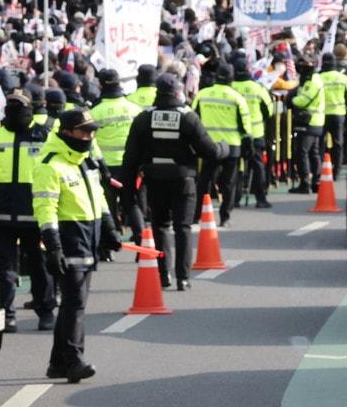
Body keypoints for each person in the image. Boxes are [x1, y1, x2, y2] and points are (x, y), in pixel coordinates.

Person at [33, 108, 120, 382]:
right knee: (76, 303)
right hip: (69, 238)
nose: (89, 136)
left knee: (73, 302)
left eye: (92, 131)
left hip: (88, 236)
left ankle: (58, 363)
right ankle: (73, 360)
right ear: (67, 132)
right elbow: (45, 209)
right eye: (84, 131)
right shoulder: (50, 164)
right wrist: (53, 246)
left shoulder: (84, 160)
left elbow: (99, 198)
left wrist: (109, 227)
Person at [121, 74, 225, 291]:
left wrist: (128, 190)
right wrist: (224, 148)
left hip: (155, 180)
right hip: (183, 180)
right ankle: (183, 277)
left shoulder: (143, 118)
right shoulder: (188, 117)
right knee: (183, 228)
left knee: (160, 227)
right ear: (179, 92)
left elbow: (130, 158)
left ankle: (163, 274)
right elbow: (210, 151)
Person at [0, 92, 54, 333]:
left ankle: (45, 310)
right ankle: (6, 315)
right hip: (2, 216)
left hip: (35, 216)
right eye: (12, 107)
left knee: (40, 267)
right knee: (3, 269)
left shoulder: (43, 135)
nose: (16, 111)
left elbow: (52, 173)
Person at [191, 60, 249, 223]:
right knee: (228, 182)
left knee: (204, 181)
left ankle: (196, 215)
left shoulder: (203, 94)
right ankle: (225, 217)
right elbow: (245, 125)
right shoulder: (237, 97)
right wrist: (247, 140)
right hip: (232, 145)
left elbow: (194, 119)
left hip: (208, 144)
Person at [90, 68, 144, 243]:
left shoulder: (94, 112)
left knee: (107, 206)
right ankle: (142, 239)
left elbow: (90, 143)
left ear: (100, 85)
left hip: (105, 166)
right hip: (132, 164)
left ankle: (111, 244)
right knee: (132, 203)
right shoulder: (135, 110)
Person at [231, 58, 274, 209]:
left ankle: (233, 199)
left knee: (234, 166)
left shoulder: (230, 87)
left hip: (235, 134)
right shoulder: (258, 88)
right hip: (255, 133)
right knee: (258, 166)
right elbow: (269, 110)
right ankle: (261, 198)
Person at [290, 61, 324, 194]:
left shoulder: (313, 82)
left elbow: (304, 100)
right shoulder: (311, 79)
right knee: (313, 152)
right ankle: (316, 182)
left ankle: (306, 183)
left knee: (302, 152)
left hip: (310, 121)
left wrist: (292, 100)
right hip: (313, 121)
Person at [317, 55, 347, 175]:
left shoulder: (318, 78)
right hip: (339, 114)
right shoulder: (342, 78)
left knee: (320, 143)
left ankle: (321, 169)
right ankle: (336, 170)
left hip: (322, 115)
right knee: (338, 143)